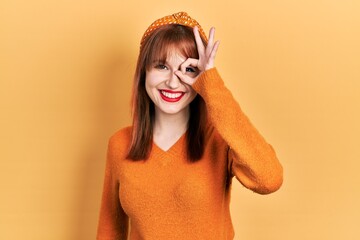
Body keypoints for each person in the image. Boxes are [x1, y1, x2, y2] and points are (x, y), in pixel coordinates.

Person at [97, 12, 283, 240]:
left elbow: (269, 179)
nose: (173, 82)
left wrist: (212, 84)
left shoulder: (220, 139)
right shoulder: (120, 143)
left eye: (189, 69)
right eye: (161, 66)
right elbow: (110, 232)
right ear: (144, 71)